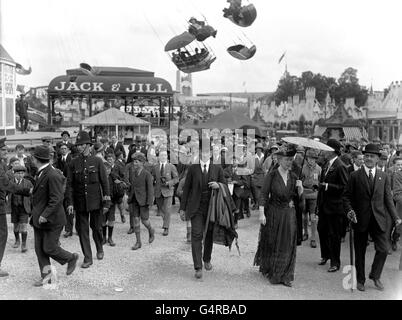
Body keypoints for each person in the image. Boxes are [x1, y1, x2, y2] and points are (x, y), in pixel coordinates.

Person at [343, 143, 402, 292]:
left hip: (379, 219)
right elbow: (346, 197)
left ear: (377, 159)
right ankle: (360, 280)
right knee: (360, 251)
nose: (369, 158)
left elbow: (388, 199)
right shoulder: (355, 176)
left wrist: (396, 218)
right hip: (360, 219)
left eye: (372, 156)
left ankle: (375, 275)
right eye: (367, 156)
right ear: (363, 157)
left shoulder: (384, 176)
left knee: (384, 248)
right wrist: (349, 210)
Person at [29, 145, 79, 286]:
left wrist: (45, 214)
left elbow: (56, 198)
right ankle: (47, 277)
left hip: (52, 220)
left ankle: (71, 258)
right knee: (40, 250)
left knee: (49, 248)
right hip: (39, 219)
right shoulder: (41, 173)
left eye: (33, 157)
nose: (31, 160)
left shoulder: (53, 174)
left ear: (36, 159)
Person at [254, 145, 303, 287]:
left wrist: (300, 190)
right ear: (280, 160)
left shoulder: (294, 177)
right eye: (287, 160)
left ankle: (286, 275)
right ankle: (273, 272)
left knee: (288, 243)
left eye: (291, 160)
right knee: (274, 241)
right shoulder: (272, 175)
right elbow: (263, 194)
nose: (290, 163)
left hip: (289, 215)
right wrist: (262, 213)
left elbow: (299, 202)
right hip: (274, 212)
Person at [179, 139, 226, 279]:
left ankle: (207, 259)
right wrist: (182, 208)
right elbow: (186, 189)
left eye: (207, 152)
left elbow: (225, 185)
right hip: (196, 208)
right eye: (202, 152)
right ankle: (198, 266)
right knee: (196, 235)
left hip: (211, 208)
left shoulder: (217, 169)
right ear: (199, 153)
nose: (204, 154)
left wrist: (218, 185)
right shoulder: (193, 168)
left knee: (209, 234)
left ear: (211, 153)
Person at [65, 131, 110, 269]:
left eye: (82, 144)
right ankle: (88, 257)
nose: (79, 147)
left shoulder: (97, 161)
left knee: (96, 228)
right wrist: (70, 203)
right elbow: (70, 185)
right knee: (82, 230)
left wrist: (106, 201)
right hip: (80, 203)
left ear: (89, 145)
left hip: (95, 202)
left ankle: (99, 248)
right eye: (78, 145)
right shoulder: (73, 163)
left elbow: (104, 182)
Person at [316, 139, 349, 272]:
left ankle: (335, 262)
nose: (323, 151)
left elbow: (345, 187)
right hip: (324, 205)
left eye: (325, 149)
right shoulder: (326, 164)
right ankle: (325, 255)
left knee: (334, 235)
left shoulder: (340, 166)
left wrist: (328, 186)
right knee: (321, 230)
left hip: (335, 207)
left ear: (331, 151)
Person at [124, 152, 155, 250]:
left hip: (144, 201)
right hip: (134, 200)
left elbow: (150, 189)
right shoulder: (133, 173)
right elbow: (132, 186)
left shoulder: (147, 174)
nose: (134, 164)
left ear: (142, 163)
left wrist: (150, 202)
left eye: (137, 162)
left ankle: (151, 230)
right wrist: (128, 194)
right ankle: (138, 242)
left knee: (145, 221)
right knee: (136, 220)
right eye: (134, 162)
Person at [152, 150, 179, 236]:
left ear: (167, 157)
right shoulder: (155, 167)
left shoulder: (171, 167)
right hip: (158, 192)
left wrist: (169, 183)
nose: (163, 157)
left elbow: (176, 179)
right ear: (159, 157)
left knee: (167, 210)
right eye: (161, 155)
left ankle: (166, 227)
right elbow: (152, 177)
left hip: (168, 191)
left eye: (164, 155)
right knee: (161, 209)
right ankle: (165, 221)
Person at [9, 166, 32, 253]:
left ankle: (24, 244)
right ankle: (17, 240)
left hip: (24, 208)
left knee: (24, 226)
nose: (20, 175)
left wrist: (32, 207)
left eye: (22, 173)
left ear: (24, 174)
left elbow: (32, 195)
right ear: (14, 173)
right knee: (16, 226)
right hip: (14, 208)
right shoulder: (10, 182)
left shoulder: (28, 183)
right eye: (18, 173)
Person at [301, 149, 321, 248]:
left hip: (314, 195)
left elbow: (321, 181)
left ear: (316, 159)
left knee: (313, 218)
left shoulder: (319, 169)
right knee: (304, 216)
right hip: (304, 193)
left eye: (313, 158)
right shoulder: (303, 168)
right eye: (309, 158)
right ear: (307, 158)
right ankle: (305, 233)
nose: (311, 160)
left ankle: (313, 238)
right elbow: (300, 181)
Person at [251, 143, 265, 211]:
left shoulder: (264, 157)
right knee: (256, 192)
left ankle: (260, 205)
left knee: (262, 192)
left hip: (263, 176)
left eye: (260, 149)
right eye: (257, 149)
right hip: (256, 176)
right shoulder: (253, 157)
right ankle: (257, 203)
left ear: (262, 149)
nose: (258, 150)